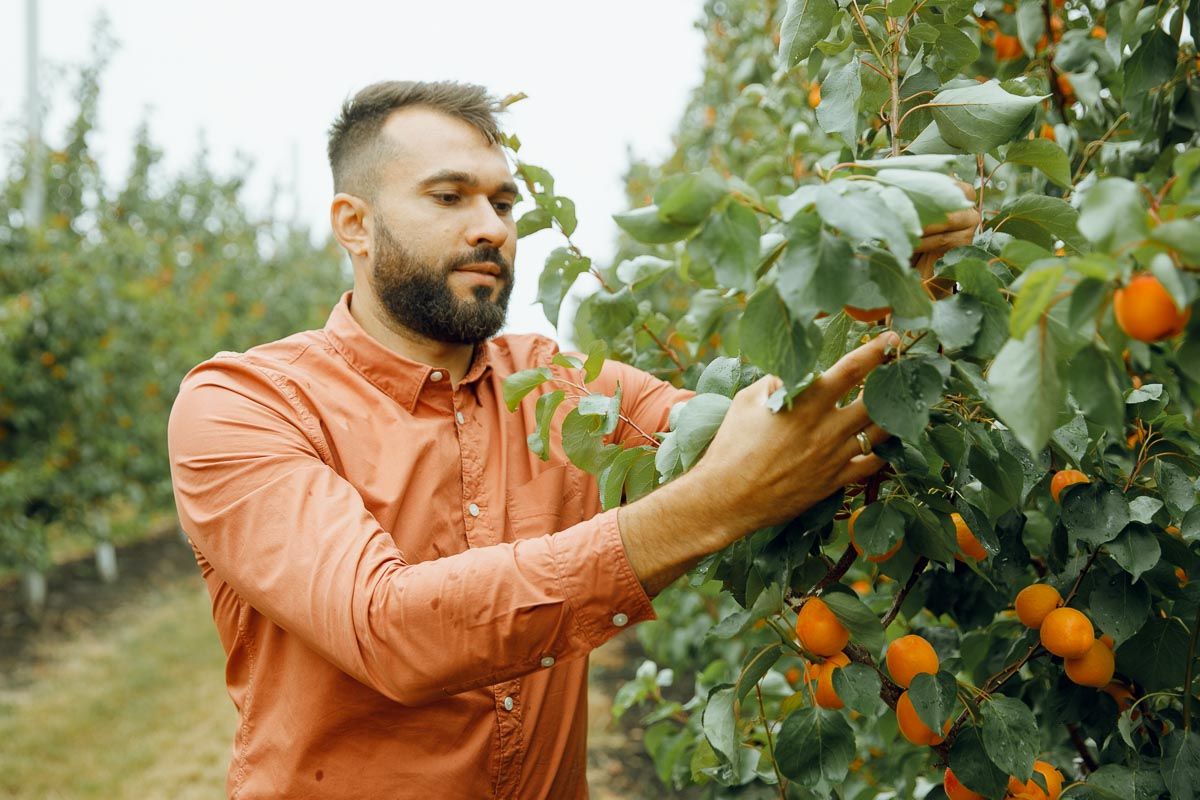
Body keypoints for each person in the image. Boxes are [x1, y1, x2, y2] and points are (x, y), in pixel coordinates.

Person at [166, 80, 979, 799]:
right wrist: (712, 506)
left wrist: (888, 286)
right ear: (355, 223)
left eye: (504, 204)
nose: (490, 227)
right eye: (450, 198)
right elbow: (391, 631)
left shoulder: (560, 388)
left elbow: (759, 437)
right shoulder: (246, 404)